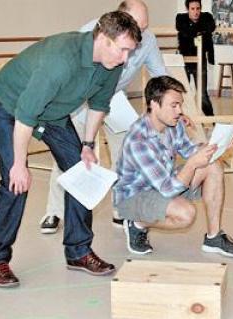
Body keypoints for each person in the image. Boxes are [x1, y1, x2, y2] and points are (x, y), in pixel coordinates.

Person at [0, 11, 142, 288]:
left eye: (130, 52)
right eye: (123, 50)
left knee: (81, 173)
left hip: (53, 113)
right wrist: (19, 164)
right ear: (104, 38)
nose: (126, 59)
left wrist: (87, 145)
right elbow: (26, 115)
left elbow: (99, 104)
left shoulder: (112, 64)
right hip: (9, 105)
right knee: (16, 184)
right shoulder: (61, 60)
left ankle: (78, 251)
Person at [40, 0, 168, 234]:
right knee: (69, 153)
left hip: (115, 98)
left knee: (126, 154)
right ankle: (54, 211)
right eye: (139, 26)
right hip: (81, 100)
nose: (142, 33)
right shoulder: (91, 32)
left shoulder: (147, 39)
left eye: (145, 26)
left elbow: (160, 75)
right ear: (121, 19)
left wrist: (172, 104)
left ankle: (122, 209)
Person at [113, 76, 233, 258]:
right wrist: (191, 165)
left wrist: (222, 145)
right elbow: (168, 189)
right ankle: (136, 223)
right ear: (154, 104)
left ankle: (214, 237)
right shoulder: (139, 141)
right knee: (185, 214)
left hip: (162, 183)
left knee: (213, 165)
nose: (180, 111)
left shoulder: (173, 124)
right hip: (134, 197)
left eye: (180, 105)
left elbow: (191, 151)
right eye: (174, 105)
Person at [176, 0, 215, 116]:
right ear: (188, 9)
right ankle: (182, 122)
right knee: (182, 93)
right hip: (184, 60)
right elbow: (182, 29)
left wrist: (194, 30)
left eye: (198, 8)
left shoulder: (207, 17)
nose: (196, 12)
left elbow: (211, 27)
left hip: (200, 60)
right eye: (193, 9)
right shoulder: (181, 18)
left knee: (202, 95)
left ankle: (212, 122)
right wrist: (199, 31)